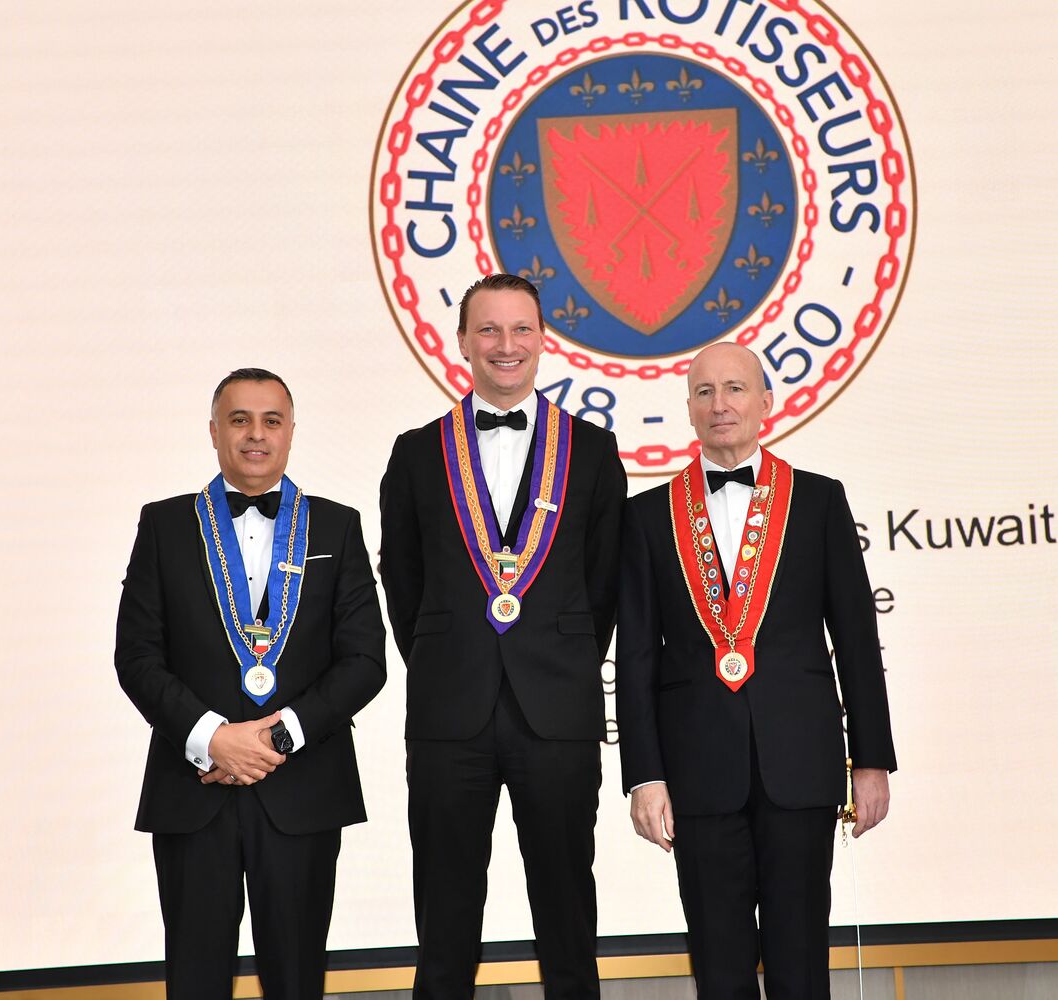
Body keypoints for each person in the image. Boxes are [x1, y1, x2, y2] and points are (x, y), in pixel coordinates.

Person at [616, 343, 896, 1000]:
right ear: (689, 409)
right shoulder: (647, 516)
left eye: (735, 389)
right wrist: (644, 775)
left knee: (801, 966)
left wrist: (871, 760)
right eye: (705, 392)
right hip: (697, 773)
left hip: (800, 765)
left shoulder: (819, 501)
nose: (720, 405)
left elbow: (857, 640)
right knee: (720, 970)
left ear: (766, 402)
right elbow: (637, 655)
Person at [379, 273, 627, 1000]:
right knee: (444, 927)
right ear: (461, 342)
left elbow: (604, 584)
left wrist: (560, 662)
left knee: (568, 923)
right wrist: (447, 661)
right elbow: (403, 584)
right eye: (488, 329)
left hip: (558, 713)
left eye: (521, 329)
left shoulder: (593, 450)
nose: (505, 344)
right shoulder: (416, 453)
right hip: (448, 717)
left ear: (543, 340)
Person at [115, 368, 386, 999]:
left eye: (271, 421)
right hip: (193, 790)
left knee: (296, 981)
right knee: (195, 980)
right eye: (239, 420)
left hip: (302, 789)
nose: (255, 435)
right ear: (214, 432)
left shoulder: (337, 526)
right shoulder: (164, 526)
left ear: (291, 432)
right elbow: (137, 657)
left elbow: (364, 660)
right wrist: (213, 738)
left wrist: (275, 739)